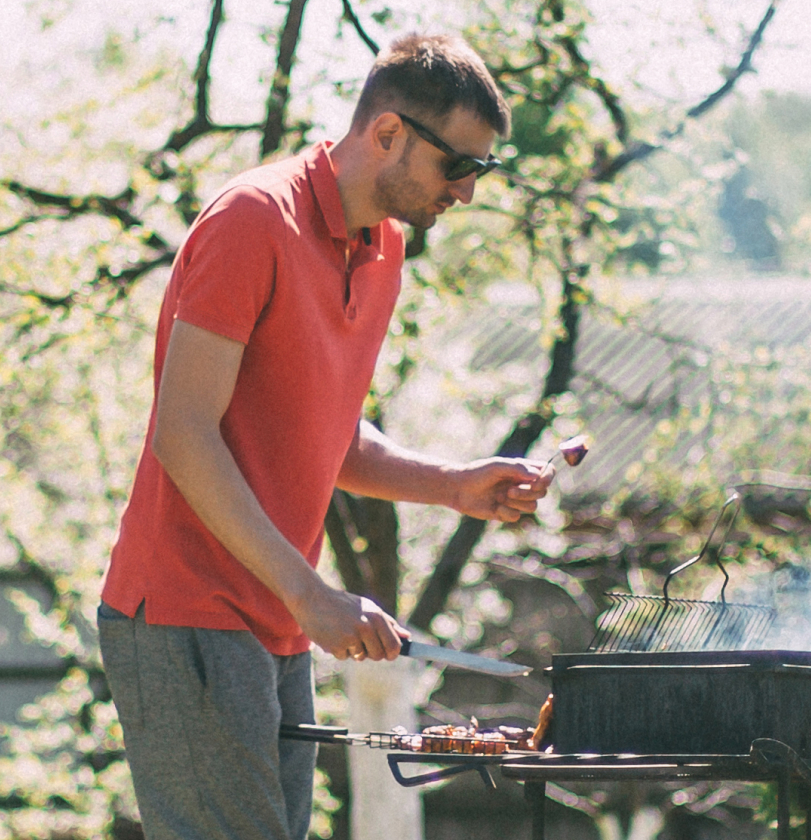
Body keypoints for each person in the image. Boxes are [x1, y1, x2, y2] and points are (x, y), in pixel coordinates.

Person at [96, 33, 549, 840]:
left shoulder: (384, 249)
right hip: (182, 613)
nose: (469, 192)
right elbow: (183, 433)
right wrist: (310, 593)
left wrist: (452, 484)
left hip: (273, 622)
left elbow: (326, 436)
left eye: (483, 171)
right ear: (387, 134)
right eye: (460, 166)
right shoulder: (251, 221)